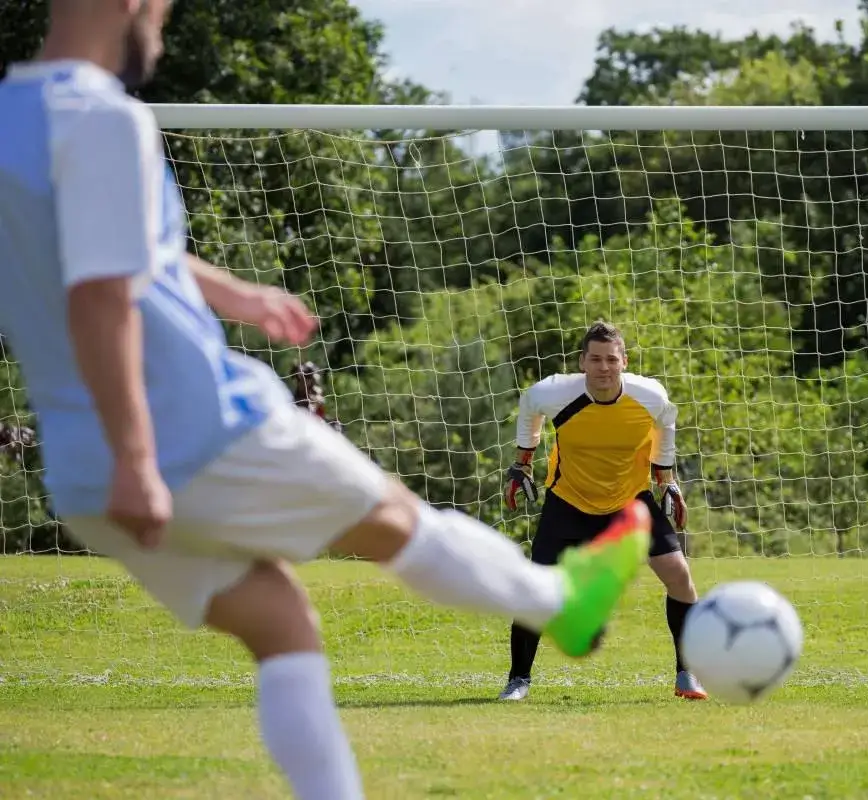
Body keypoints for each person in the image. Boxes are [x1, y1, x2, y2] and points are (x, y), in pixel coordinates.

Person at [0, 3, 649, 799]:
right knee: (398, 521)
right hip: (191, 430)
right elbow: (102, 298)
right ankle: (559, 599)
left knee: (282, 626)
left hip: (81, 478)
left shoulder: (11, 121)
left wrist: (238, 296)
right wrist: (140, 458)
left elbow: (121, 256)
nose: (163, 20)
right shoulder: (105, 120)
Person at [500, 320, 708, 701]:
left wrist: (666, 480)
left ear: (624, 361)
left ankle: (687, 674)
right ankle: (518, 680)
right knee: (535, 592)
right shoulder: (554, 393)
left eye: (611, 359)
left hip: (630, 503)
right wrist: (523, 462)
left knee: (680, 576)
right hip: (569, 501)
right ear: (582, 362)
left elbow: (666, 423)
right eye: (595, 359)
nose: (603, 367)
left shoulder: (650, 396)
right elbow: (529, 407)